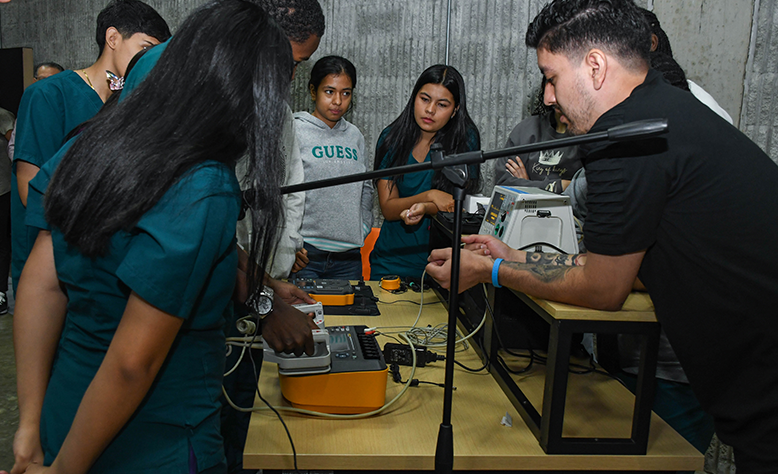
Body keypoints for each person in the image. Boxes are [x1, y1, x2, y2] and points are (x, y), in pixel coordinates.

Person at [427, 1, 778, 472]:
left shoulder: (625, 139)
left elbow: (605, 287)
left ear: (594, 66)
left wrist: (491, 269)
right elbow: (623, 268)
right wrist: (514, 255)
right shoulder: (665, 110)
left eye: (551, 77)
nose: (548, 98)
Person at [4, 1, 315, 473]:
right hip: (154, 441)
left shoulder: (85, 146)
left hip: (65, 417)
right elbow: (133, 363)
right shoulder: (202, 183)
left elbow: (41, 285)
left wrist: (29, 429)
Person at [122, 0, 325, 282]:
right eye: (288, 61)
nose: (290, 76)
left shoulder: (266, 101)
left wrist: (268, 284)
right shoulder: (162, 68)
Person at [10, 0, 170, 294]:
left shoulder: (132, 106)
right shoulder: (48, 94)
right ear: (113, 38)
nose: (150, 62)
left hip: (105, 268)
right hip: (52, 271)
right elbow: (29, 189)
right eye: (146, 48)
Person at [369, 64, 481, 281]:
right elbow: (389, 208)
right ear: (414, 98)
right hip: (390, 262)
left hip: (442, 266)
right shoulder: (392, 138)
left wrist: (427, 207)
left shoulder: (465, 140)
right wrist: (429, 197)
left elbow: (454, 205)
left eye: (442, 104)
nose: (430, 110)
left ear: (455, 109)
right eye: (425, 99)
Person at [289, 55, 372, 280]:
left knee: (353, 315)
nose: (338, 101)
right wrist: (288, 243)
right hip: (306, 256)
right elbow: (280, 192)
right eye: (329, 92)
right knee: (303, 315)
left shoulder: (355, 136)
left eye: (346, 93)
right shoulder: (294, 130)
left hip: (349, 258)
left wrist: (363, 227)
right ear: (313, 91)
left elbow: (366, 187)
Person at [494, 80, 583, 194]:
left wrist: (527, 185)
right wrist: (559, 186)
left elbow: (587, 189)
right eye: (549, 83)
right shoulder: (527, 129)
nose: (549, 98)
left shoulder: (589, 134)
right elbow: (503, 182)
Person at [0, 108, 14, 315]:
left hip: (2, 189)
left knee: (2, 241)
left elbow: (16, 148)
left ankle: (0, 291)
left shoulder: (3, 116)